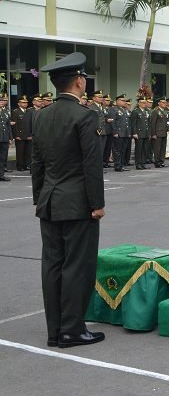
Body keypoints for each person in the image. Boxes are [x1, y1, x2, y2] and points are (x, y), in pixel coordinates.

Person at [32, 52, 105, 348]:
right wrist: (97, 204)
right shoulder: (85, 115)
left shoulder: (41, 115)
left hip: (49, 202)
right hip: (77, 204)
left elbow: (38, 163)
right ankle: (72, 329)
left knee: (52, 265)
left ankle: (55, 330)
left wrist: (40, 198)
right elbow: (91, 165)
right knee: (78, 265)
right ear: (78, 81)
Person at [108, 94, 132, 172]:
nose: (124, 102)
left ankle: (121, 165)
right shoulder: (113, 109)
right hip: (118, 133)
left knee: (123, 150)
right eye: (122, 100)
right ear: (117, 101)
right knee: (117, 150)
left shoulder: (124, 110)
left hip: (125, 133)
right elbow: (112, 121)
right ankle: (117, 165)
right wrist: (115, 132)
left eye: (124, 101)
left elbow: (127, 123)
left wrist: (128, 132)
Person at [10, 95, 32, 171]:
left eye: (26, 103)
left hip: (28, 135)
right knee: (20, 152)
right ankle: (20, 166)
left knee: (28, 152)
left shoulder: (29, 111)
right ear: (19, 104)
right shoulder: (15, 112)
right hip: (20, 135)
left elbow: (31, 124)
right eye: (23, 103)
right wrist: (16, 135)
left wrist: (30, 134)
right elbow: (14, 125)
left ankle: (26, 165)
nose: (25, 104)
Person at [130, 96, 151, 170]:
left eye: (144, 102)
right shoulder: (135, 111)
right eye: (142, 102)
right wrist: (134, 133)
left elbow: (148, 123)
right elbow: (133, 123)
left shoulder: (146, 111)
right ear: (139, 103)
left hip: (145, 133)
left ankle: (143, 163)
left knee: (144, 149)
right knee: (139, 149)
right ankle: (138, 164)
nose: (143, 104)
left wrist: (149, 133)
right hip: (139, 133)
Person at [150, 97, 169, 168]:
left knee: (162, 148)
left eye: (165, 102)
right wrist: (153, 134)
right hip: (157, 133)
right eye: (163, 102)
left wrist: (168, 129)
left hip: (164, 132)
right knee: (157, 149)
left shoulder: (164, 111)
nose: (164, 104)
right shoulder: (155, 111)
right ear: (159, 103)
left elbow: (164, 122)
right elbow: (153, 123)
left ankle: (161, 161)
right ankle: (157, 162)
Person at [0, 93, 11, 181]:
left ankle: (1, 175)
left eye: (4, 100)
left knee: (3, 157)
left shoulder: (6, 110)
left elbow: (8, 125)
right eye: (0, 100)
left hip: (4, 137)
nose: (2, 102)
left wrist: (10, 137)